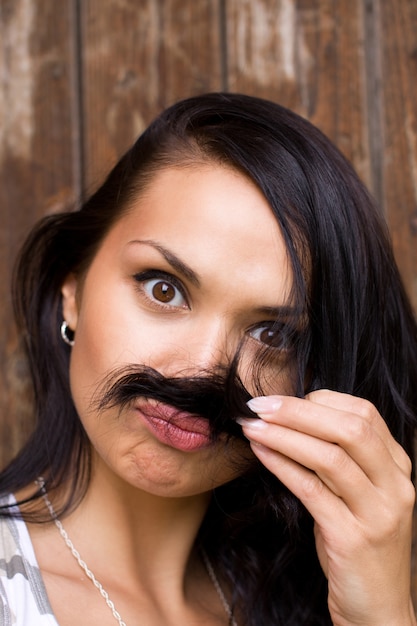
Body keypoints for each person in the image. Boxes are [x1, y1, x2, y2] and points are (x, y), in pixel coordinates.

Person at [0, 92, 416, 626]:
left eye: (273, 333)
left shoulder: (317, 606)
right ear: (73, 289)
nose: (201, 368)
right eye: (163, 289)